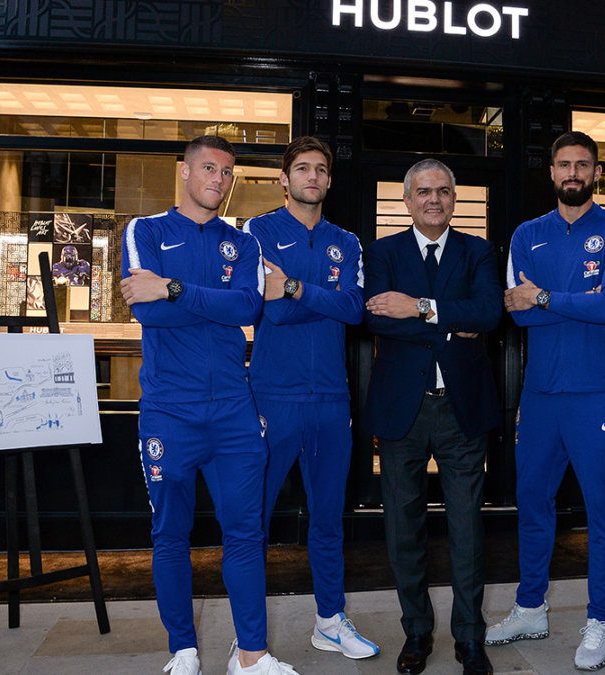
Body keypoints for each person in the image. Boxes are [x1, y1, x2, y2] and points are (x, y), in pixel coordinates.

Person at [119, 135, 298, 675]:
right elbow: (145, 311)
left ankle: (251, 656)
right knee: (170, 535)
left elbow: (246, 308)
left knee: (245, 534)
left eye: (226, 172)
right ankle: (183, 652)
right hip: (170, 411)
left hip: (234, 413)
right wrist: (199, 302)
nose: (218, 180)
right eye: (209, 168)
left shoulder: (242, 242)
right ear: (184, 171)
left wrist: (173, 289)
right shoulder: (146, 231)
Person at [488, 131, 605, 671]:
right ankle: (531, 607)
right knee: (532, 501)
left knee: (603, 510)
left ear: (597, 173)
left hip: (597, 393)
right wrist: (579, 303)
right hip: (540, 395)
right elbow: (518, 312)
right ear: (551, 172)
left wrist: (547, 297)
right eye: (564, 164)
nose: (573, 172)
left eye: (582, 164)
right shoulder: (527, 234)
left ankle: (600, 619)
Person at [363, 158, 502, 675]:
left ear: (454, 198)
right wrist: (451, 318)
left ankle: (470, 638)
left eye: (443, 191)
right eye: (423, 191)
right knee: (404, 529)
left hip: (461, 409)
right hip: (403, 409)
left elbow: (488, 312)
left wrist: (419, 307)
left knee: (468, 530)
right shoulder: (383, 252)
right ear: (407, 200)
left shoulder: (478, 250)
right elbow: (376, 316)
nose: (434, 200)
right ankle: (417, 632)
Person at [242, 137, 378, 660]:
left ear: (329, 179)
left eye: (321, 169)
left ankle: (329, 621)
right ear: (284, 178)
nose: (313, 177)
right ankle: (249, 637)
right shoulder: (258, 231)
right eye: (302, 169)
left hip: (330, 400)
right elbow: (271, 311)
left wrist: (297, 288)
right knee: (254, 520)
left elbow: (354, 310)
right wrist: (322, 298)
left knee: (327, 519)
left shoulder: (347, 240)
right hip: (272, 397)